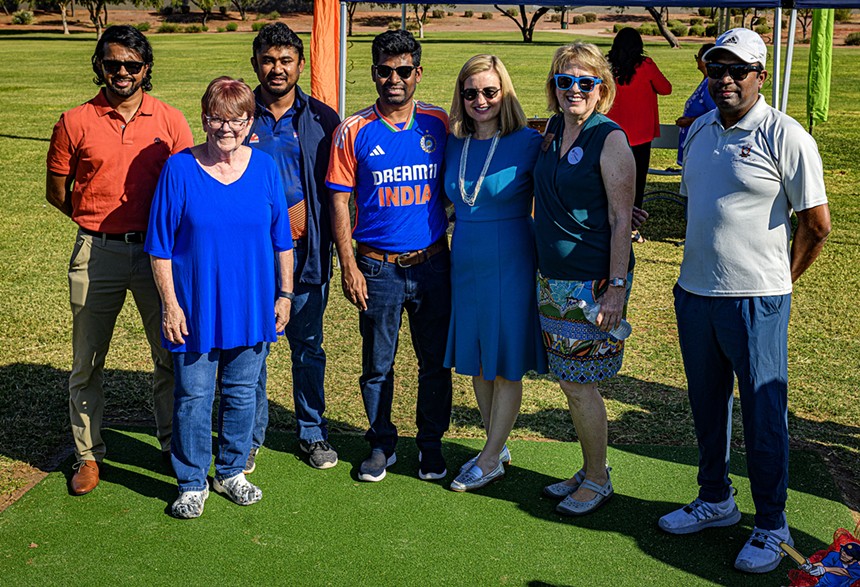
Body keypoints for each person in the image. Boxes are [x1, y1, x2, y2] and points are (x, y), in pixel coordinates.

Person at [657, 28, 831, 574]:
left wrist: (782, 279)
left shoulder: (787, 135)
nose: (725, 79)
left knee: (762, 417)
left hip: (757, 300)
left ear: (760, 75)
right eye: (716, 69)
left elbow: (817, 225)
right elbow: (701, 209)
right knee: (707, 407)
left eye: (738, 70)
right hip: (696, 294)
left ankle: (772, 524)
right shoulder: (702, 129)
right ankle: (716, 500)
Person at [45, 25, 194, 496]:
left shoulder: (170, 120)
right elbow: (57, 191)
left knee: (170, 355)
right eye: (113, 64)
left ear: (146, 68)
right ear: (100, 66)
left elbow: (189, 187)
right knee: (87, 362)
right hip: (97, 251)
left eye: (132, 64)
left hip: (158, 255)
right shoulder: (74, 121)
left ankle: (172, 445)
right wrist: (95, 223)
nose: (123, 72)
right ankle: (88, 456)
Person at [146, 77, 294, 519]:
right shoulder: (179, 168)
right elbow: (159, 247)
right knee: (193, 396)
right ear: (204, 119)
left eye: (236, 119)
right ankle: (192, 481)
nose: (225, 128)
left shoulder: (266, 167)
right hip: (194, 307)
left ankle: (231, 471)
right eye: (216, 118)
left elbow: (281, 240)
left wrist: (285, 295)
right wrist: (171, 305)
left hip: (252, 303)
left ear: (251, 122)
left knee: (243, 392)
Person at [327, 30, 452, 483]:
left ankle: (431, 445)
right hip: (376, 267)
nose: (394, 79)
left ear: (417, 73)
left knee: (434, 362)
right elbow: (338, 201)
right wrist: (348, 265)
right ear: (374, 72)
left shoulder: (440, 122)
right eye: (385, 70)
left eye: (403, 71)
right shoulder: (353, 130)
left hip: (434, 264)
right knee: (377, 365)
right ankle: (381, 443)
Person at [533, 43, 636, 516]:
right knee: (568, 380)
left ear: (602, 88)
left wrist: (616, 288)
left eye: (585, 82)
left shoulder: (610, 138)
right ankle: (589, 466)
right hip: (553, 279)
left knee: (579, 385)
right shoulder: (554, 129)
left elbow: (621, 220)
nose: (574, 89)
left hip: (592, 281)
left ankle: (597, 478)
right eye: (564, 81)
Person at [443, 55, 547, 492]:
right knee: (478, 359)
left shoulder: (529, 141)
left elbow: (564, 188)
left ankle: (488, 459)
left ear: (504, 92)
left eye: (489, 91)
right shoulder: (453, 141)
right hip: (464, 257)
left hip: (511, 259)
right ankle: (495, 444)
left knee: (504, 363)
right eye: (471, 93)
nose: (480, 100)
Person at [244, 23, 341, 473]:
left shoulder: (323, 118)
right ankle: (249, 435)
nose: (277, 69)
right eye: (268, 60)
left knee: (307, 345)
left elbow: (339, 193)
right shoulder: (240, 115)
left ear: (300, 65)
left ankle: (311, 431)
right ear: (255, 64)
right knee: (254, 346)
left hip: (305, 253)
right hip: (251, 255)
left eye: (286, 60)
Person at [606, 27, 671, 243]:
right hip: (641, 135)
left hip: (610, 133)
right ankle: (632, 229)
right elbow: (666, 88)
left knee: (609, 179)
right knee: (637, 182)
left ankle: (610, 220)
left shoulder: (607, 65)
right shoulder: (646, 65)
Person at [675, 43, 716, 165]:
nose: (697, 60)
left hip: (701, 144)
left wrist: (690, 121)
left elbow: (715, 113)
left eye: (698, 57)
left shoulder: (710, 85)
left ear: (706, 60)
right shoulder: (705, 81)